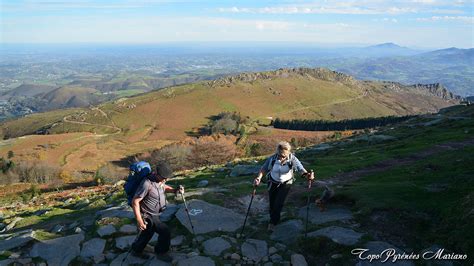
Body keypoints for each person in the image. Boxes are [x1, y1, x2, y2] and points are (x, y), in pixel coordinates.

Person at [254, 141, 314, 231]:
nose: (281, 158)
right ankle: (272, 216)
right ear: (277, 152)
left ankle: (273, 222)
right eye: (279, 155)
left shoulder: (293, 159)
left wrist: (307, 175)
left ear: (288, 153)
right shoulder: (272, 159)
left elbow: (301, 169)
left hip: (286, 183)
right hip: (272, 182)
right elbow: (264, 169)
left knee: (278, 203)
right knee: (272, 202)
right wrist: (258, 178)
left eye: (283, 156)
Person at [130, 162, 184, 262]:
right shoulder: (147, 183)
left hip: (155, 213)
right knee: (165, 231)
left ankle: (136, 250)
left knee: (147, 233)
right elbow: (135, 201)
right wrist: (139, 220)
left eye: (166, 178)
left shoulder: (160, 180)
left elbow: (163, 186)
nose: (165, 179)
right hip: (148, 214)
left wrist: (174, 190)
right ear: (156, 174)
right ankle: (161, 253)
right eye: (164, 177)